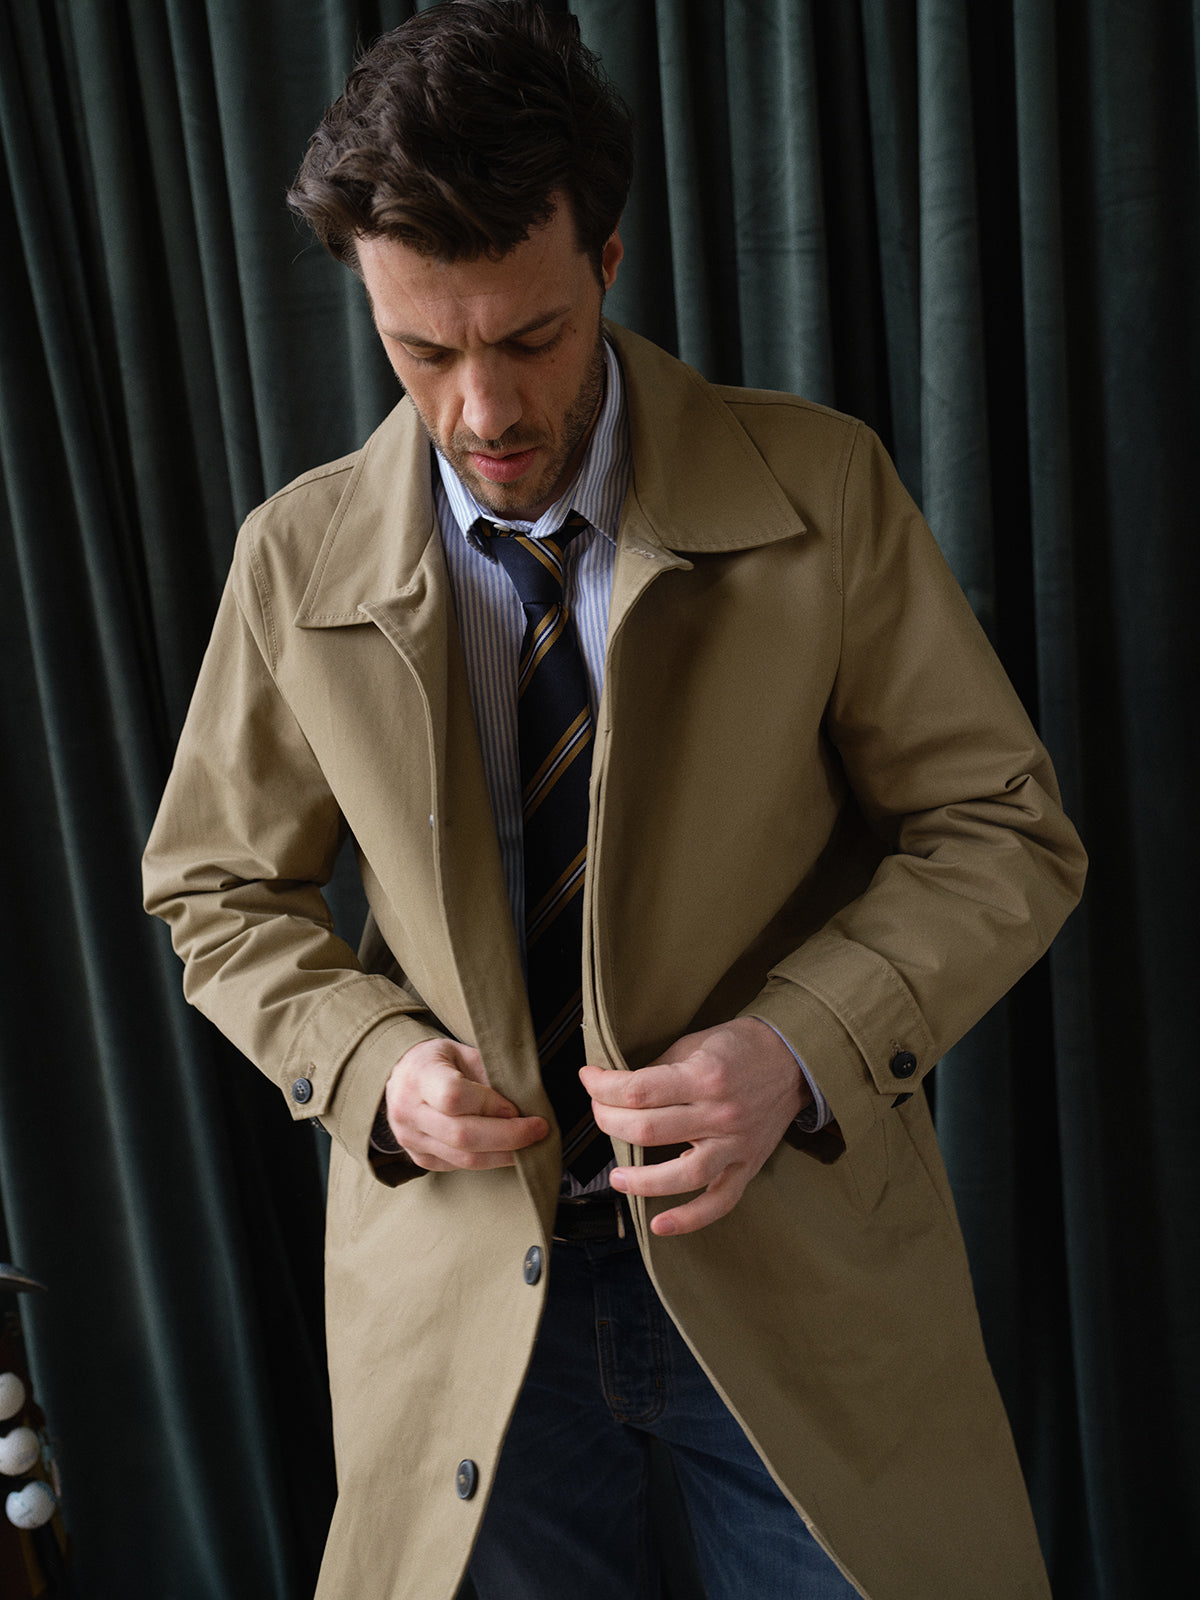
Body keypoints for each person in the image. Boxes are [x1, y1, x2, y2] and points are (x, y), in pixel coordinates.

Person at [142, 3, 1086, 1596]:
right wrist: (371, 1066)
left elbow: (1002, 827)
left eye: (530, 339)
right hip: (463, 1305)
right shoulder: (292, 561)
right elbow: (214, 890)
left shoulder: (823, 487)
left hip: (796, 1267)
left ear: (610, 261)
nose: (483, 412)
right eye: (422, 352)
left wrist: (800, 1048)